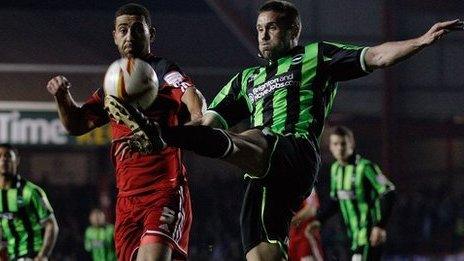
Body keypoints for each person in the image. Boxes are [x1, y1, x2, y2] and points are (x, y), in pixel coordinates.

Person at [104, 1, 463, 260]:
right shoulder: (245, 80)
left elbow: (376, 55)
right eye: (259, 29)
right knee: (261, 254)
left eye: (271, 27)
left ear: (293, 31)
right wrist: (173, 138)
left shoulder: (315, 57)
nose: (262, 35)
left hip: (294, 150)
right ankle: (160, 136)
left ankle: (160, 134)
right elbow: (205, 126)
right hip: (262, 177)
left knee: (246, 141)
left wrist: (420, 42)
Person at [46, 3, 205, 260]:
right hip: (126, 201)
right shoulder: (113, 82)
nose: (130, 36)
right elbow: (78, 124)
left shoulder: (164, 70)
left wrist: (198, 118)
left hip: (164, 192)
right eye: (123, 30)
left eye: (136, 30)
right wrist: (62, 96)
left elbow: (190, 95)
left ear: (150, 34)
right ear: (115, 36)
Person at [308, 126, 395, 260]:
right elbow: (335, 200)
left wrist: (380, 226)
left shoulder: (365, 167)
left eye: (343, 143)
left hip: (368, 236)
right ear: (330, 147)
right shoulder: (335, 169)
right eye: (336, 144)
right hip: (349, 238)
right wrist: (319, 220)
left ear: (352, 144)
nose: (340, 148)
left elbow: (389, 192)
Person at [0, 143, 59, 260]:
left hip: (31, 254)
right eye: (0, 156)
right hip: (12, 255)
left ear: (17, 161)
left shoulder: (30, 191)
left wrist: (43, 255)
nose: (3, 159)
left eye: (8, 156)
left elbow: (51, 225)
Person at [289, 190, 324, 261]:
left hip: (304, 235)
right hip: (292, 236)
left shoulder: (306, 184)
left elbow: (312, 209)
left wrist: (291, 221)